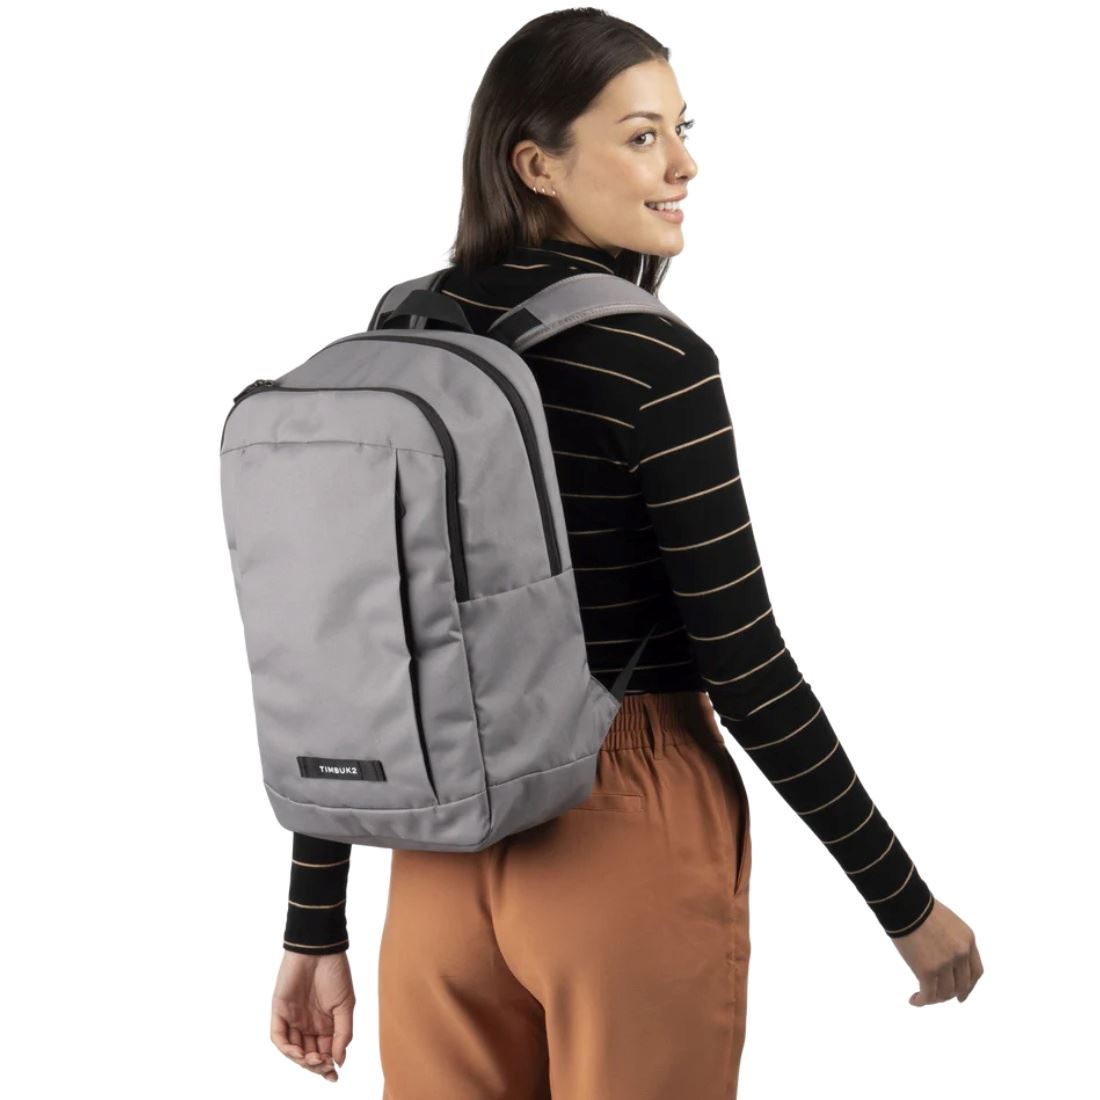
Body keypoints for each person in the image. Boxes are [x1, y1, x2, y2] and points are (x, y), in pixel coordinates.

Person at [269, 9, 982, 1093]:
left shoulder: (403, 335)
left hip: (437, 863)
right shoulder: (656, 361)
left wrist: (314, 923)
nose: (683, 165)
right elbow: (747, 668)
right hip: (623, 828)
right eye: (642, 136)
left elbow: (352, 655)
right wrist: (904, 903)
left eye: (681, 130)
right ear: (536, 164)